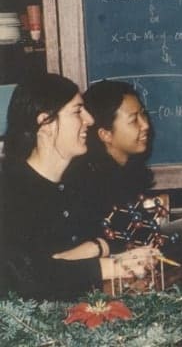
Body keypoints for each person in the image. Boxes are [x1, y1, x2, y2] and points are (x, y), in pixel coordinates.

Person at [1, 73, 156, 299]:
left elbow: (112, 237)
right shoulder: (9, 192)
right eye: (77, 111)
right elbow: (23, 279)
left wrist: (94, 248)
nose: (90, 120)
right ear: (46, 123)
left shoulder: (76, 182)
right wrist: (110, 266)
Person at [65, 79, 154, 225]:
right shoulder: (94, 188)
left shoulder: (126, 172)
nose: (145, 125)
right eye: (133, 120)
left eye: (143, 115)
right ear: (105, 134)